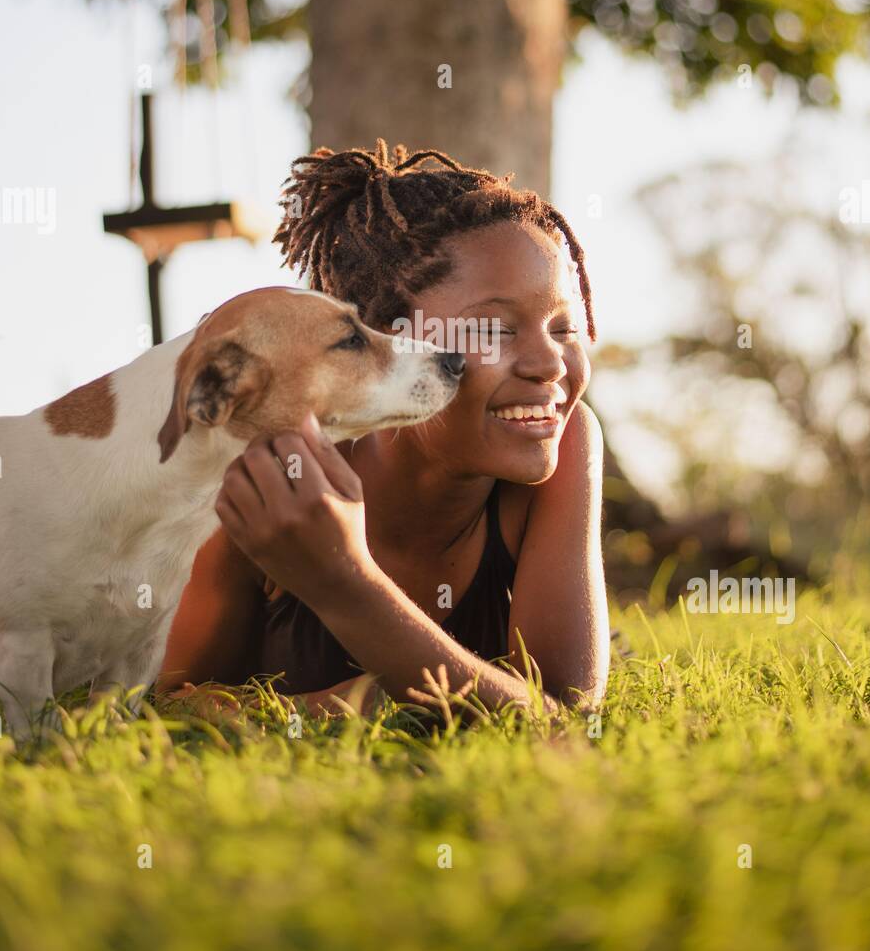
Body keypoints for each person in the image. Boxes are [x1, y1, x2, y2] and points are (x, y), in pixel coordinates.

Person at [159, 140, 609, 719]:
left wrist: (345, 585)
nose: (548, 363)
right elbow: (172, 708)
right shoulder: (264, 472)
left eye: (564, 328)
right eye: (494, 330)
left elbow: (566, 715)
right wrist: (454, 692)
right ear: (386, 341)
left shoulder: (567, 443)